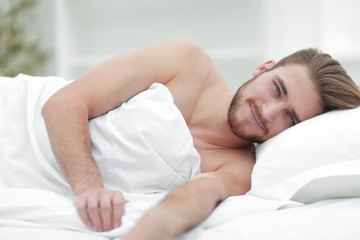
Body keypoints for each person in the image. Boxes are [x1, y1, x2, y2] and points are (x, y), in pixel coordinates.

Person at [41, 39, 360, 239]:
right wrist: (89, 188)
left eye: (290, 117)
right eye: (277, 89)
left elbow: (184, 205)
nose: (268, 112)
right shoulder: (188, 62)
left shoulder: (239, 170)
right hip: (27, 120)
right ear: (263, 68)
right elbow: (64, 103)